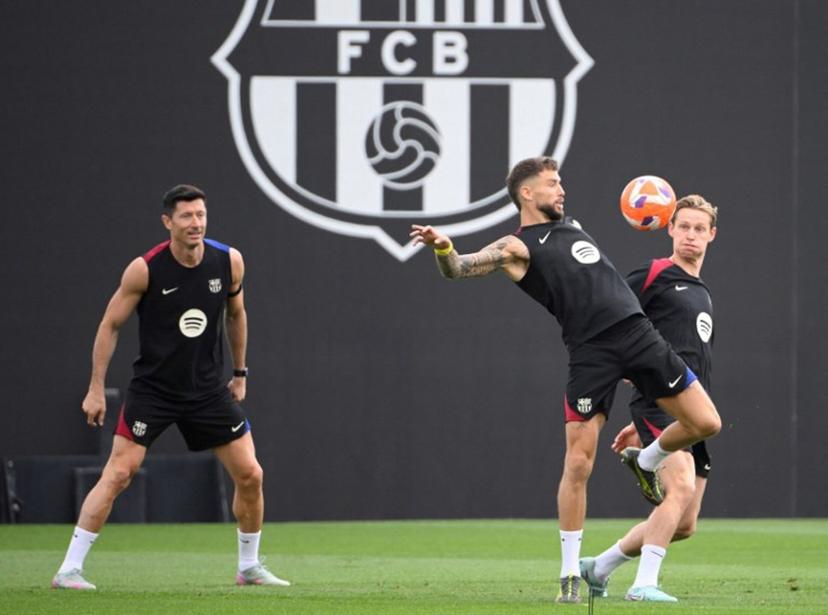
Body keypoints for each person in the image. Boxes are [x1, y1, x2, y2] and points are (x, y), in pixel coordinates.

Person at [409, 157, 721, 604]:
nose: (561, 190)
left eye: (560, 182)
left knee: (707, 422)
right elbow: (460, 267)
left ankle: (645, 460)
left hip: (638, 334)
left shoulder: (572, 226)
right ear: (527, 194)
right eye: (552, 184)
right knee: (578, 463)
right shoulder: (518, 247)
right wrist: (444, 249)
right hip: (591, 351)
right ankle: (571, 574)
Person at [52, 185, 289, 590]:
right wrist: (96, 387)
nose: (195, 223)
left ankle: (248, 567)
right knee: (119, 473)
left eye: (201, 215)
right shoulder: (145, 269)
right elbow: (110, 325)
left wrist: (240, 373)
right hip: (154, 391)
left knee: (250, 474)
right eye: (186, 217)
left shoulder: (228, 261)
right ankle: (69, 570)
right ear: (168, 222)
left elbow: (236, 314)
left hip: (208, 391)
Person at [580, 195, 718, 603]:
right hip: (660, 401)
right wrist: (629, 374)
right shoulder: (656, 273)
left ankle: (599, 566)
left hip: (683, 412)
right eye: (684, 226)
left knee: (685, 522)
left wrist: (653, 428)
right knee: (677, 489)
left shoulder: (701, 291)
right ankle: (643, 585)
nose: (691, 235)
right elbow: (610, 315)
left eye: (699, 228)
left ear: (712, 235)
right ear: (669, 229)